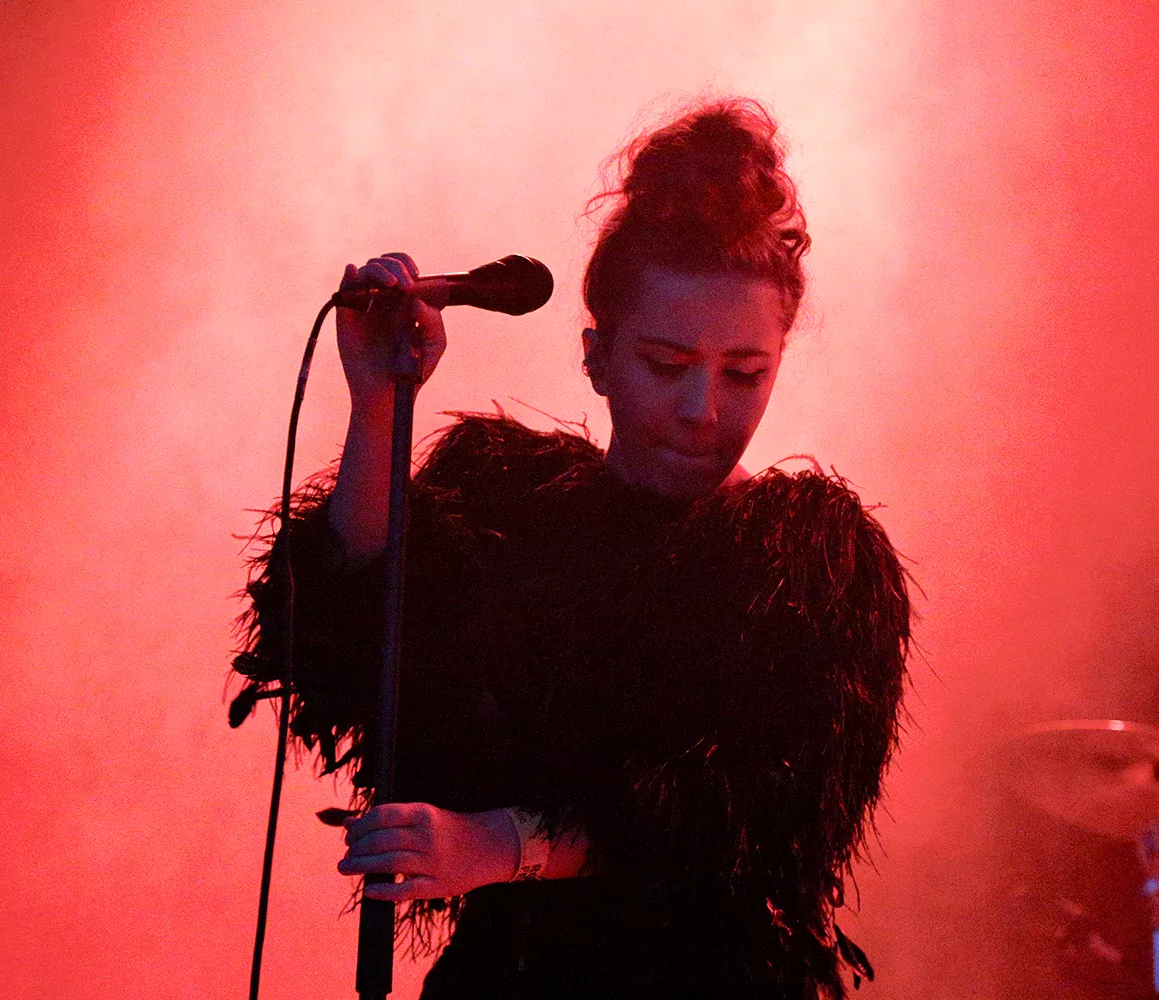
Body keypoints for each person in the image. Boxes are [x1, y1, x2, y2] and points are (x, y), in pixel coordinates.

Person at [231, 98, 912, 999]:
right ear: (596, 356)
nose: (703, 409)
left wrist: (507, 843)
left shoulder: (812, 566)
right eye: (667, 365)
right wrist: (379, 406)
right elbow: (340, 644)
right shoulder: (509, 509)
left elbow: (757, 818)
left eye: (745, 372)